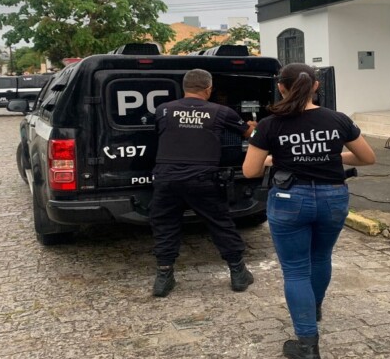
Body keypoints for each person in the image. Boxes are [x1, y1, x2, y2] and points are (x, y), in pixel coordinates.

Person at [243, 63, 376, 359]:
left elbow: (250, 170)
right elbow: (367, 158)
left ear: (281, 87)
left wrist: (277, 158)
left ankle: (307, 345)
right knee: (321, 257)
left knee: (295, 270)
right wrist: (330, 154)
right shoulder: (338, 119)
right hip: (333, 197)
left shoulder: (269, 124)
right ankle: (313, 307)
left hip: (290, 199)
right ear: (315, 86)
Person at [150, 68, 256, 297]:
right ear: (208, 89)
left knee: (165, 226)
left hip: (167, 178)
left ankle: (163, 278)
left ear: (184, 88)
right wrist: (253, 127)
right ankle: (238, 273)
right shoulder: (221, 111)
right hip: (203, 179)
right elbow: (249, 134)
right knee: (220, 224)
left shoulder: (163, 110)